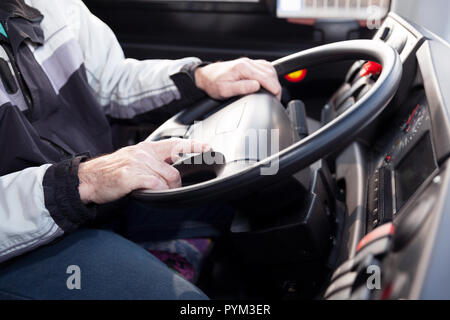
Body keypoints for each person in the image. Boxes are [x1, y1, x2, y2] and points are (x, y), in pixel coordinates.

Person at [0, 0, 281, 299]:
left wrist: (197, 78)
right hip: (25, 244)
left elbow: (110, 80)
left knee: (250, 188)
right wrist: (80, 183)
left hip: (96, 203)